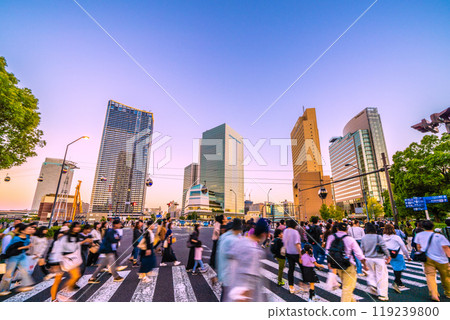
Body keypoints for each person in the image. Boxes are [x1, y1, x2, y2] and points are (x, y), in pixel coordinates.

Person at [228, 218, 269, 302]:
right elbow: (244, 290)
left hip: (231, 289)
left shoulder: (241, 241)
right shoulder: (253, 251)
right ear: (264, 234)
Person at [325, 222, 367, 302]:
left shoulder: (331, 237)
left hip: (336, 264)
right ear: (347, 229)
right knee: (348, 287)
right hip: (348, 264)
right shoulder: (350, 239)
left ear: (337, 229)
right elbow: (359, 254)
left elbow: (327, 251)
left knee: (346, 285)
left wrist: (329, 263)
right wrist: (364, 264)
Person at [50, 222, 89, 302]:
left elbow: (77, 248)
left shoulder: (76, 237)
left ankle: (64, 293)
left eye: (78, 227)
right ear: (72, 228)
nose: (77, 228)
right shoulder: (65, 238)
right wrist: (55, 263)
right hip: (61, 261)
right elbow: (57, 249)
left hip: (71, 262)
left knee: (76, 276)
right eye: (76, 227)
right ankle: (54, 299)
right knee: (57, 281)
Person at [414, 220, 450, 301]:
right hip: (442, 259)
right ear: (433, 226)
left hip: (428, 258)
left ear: (423, 227)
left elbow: (418, 247)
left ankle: (434, 294)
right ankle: (448, 293)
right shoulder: (439, 236)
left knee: (430, 276)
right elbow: (446, 248)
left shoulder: (419, 235)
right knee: (446, 277)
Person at [0, 224, 34, 296]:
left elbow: (27, 246)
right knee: (9, 274)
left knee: (25, 271)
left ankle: (25, 286)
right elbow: (11, 249)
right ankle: (2, 290)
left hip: (22, 255)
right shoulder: (16, 238)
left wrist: (27, 247)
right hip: (14, 256)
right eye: (28, 229)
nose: (30, 230)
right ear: (22, 231)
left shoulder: (27, 237)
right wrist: (25, 247)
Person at [361, 223, 391, 301]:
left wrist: (363, 260)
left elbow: (362, 250)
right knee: (382, 276)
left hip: (368, 258)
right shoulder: (378, 237)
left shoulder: (364, 238)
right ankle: (382, 295)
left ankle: (372, 284)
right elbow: (384, 248)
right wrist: (388, 256)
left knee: (371, 273)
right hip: (379, 259)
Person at [216, 218, 242, 301]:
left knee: (225, 297)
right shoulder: (232, 240)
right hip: (230, 276)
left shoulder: (224, 237)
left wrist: (219, 275)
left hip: (225, 274)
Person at [383, 223, 410, 294]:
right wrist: (407, 256)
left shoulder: (383, 237)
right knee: (399, 269)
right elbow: (403, 247)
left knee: (396, 268)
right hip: (398, 254)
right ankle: (396, 282)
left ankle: (400, 283)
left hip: (389, 256)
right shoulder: (396, 237)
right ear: (393, 229)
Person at [283, 219, 306, 294]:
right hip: (296, 253)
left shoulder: (285, 231)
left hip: (288, 252)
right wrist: (300, 255)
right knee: (303, 268)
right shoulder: (295, 232)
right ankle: (304, 283)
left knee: (291, 269)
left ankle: (291, 287)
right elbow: (297, 244)